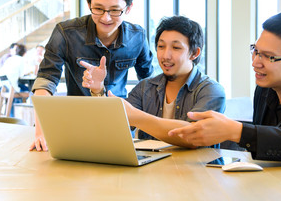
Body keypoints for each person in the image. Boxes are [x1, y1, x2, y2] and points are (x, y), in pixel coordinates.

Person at [167, 10, 281, 165]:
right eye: (255, 51)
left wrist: (237, 131)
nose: (256, 62)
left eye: (269, 57)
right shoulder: (265, 89)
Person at [30, 0, 154, 151]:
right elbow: (46, 81)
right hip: (76, 124)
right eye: (98, 9)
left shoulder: (137, 37)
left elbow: (150, 84)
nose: (106, 17)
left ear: (128, 8)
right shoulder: (66, 33)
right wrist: (41, 132)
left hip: (120, 123)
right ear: (89, 4)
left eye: (115, 10)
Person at [81, 16, 226, 148]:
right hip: (151, 171)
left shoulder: (211, 91)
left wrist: (136, 117)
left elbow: (192, 136)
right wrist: (97, 89)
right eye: (161, 46)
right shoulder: (146, 87)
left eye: (176, 48)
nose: (165, 55)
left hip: (199, 172)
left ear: (195, 53)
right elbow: (113, 127)